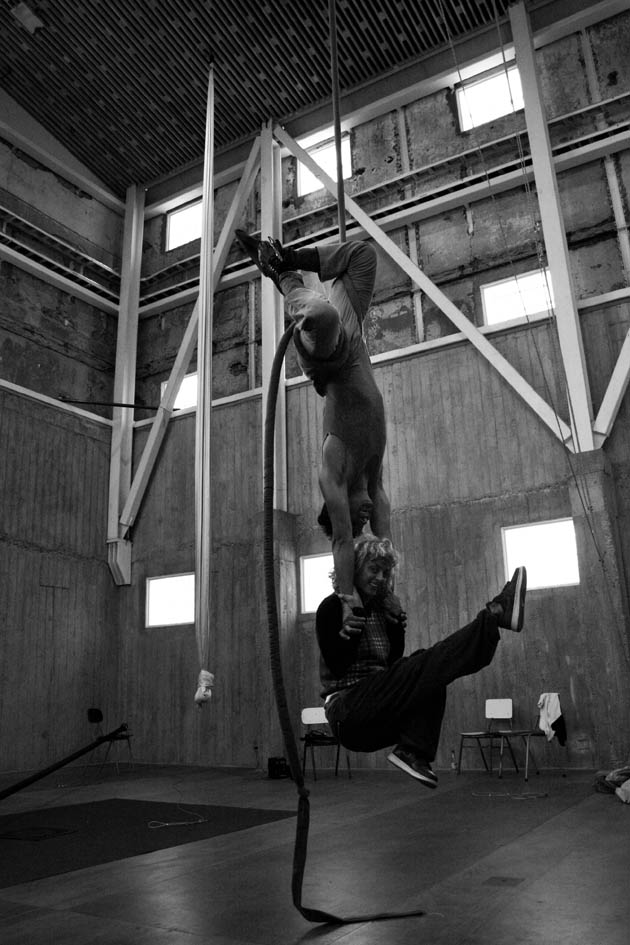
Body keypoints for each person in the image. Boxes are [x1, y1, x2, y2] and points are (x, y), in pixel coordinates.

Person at [235, 231, 389, 627]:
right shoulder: (373, 480)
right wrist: (390, 596)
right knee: (363, 254)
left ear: (339, 509)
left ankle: (283, 271)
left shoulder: (333, 468)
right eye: (365, 521)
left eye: (356, 518)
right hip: (355, 345)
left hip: (329, 358)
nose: (365, 516)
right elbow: (384, 545)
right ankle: (287, 263)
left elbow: (342, 539)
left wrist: (346, 598)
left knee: (322, 315)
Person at [315, 534, 527, 788]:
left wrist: (396, 622)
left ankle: (411, 751)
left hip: (375, 715)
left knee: (431, 672)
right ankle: (495, 613)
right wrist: (357, 614)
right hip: (346, 713)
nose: (380, 578)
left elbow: (392, 663)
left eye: (385, 572)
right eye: (373, 569)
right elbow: (338, 666)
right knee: (426, 665)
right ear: (355, 569)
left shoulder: (381, 611)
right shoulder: (332, 607)